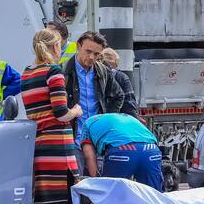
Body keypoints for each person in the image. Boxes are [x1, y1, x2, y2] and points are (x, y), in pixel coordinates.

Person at [21, 28, 82, 204]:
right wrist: (76, 111)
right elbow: (60, 112)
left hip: (41, 146)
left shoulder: (27, 73)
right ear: (55, 47)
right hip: (58, 148)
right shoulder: (54, 72)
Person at [62, 31, 124, 167]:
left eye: (96, 54)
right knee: (75, 184)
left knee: (98, 182)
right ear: (78, 47)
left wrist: (107, 119)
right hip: (72, 139)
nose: (91, 57)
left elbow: (119, 95)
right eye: (88, 51)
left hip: (97, 139)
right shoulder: (64, 71)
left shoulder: (103, 71)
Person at [80, 113, 163, 191]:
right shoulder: (127, 117)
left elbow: (89, 155)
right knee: (153, 197)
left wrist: (97, 184)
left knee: (113, 197)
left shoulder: (87, 123)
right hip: (151, 149)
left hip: (122, 150)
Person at [100, 47, 139, 117]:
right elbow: (129, 106)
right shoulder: (121, 77)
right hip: (116, 120)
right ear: (115, 62)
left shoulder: (93, 74)